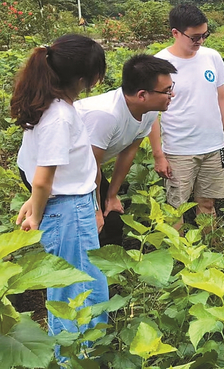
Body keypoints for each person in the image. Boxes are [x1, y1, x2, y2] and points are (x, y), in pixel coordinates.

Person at [12, 34, 109, 347]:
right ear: (85, 79)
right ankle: (77, 358)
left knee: (76, 286)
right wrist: (37, 213)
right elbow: (42, 179)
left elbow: (37, 170)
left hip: (68, 208)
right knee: (79, 293)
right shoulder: (59, 117)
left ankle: (78, 355)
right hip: (69, 213)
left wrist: (33, 202)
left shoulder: (52, 108)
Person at [75, 54, 177, 246]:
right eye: (167, 91)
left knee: (112, 218)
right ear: (142, 95)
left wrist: (111, 196)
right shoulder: (105, 115)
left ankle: (109, 268)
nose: (172, 95)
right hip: (52, 168)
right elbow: (91, 166)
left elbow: (128, 153)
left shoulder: (148, 111)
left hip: (84, 167)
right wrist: (95, 208)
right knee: (85, 224)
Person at [149, 4, 224, 225]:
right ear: (175, 33)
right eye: (195, 37)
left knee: (207, 205)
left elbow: (222, 98)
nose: (200, 42)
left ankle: (207, 250)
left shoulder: (211, 57)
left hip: (213, 147)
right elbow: (151, 114)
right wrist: (159, 154)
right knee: (175, 210)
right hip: (179, 150)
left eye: (204, 35)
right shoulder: (159, 65)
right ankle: (178, 257)